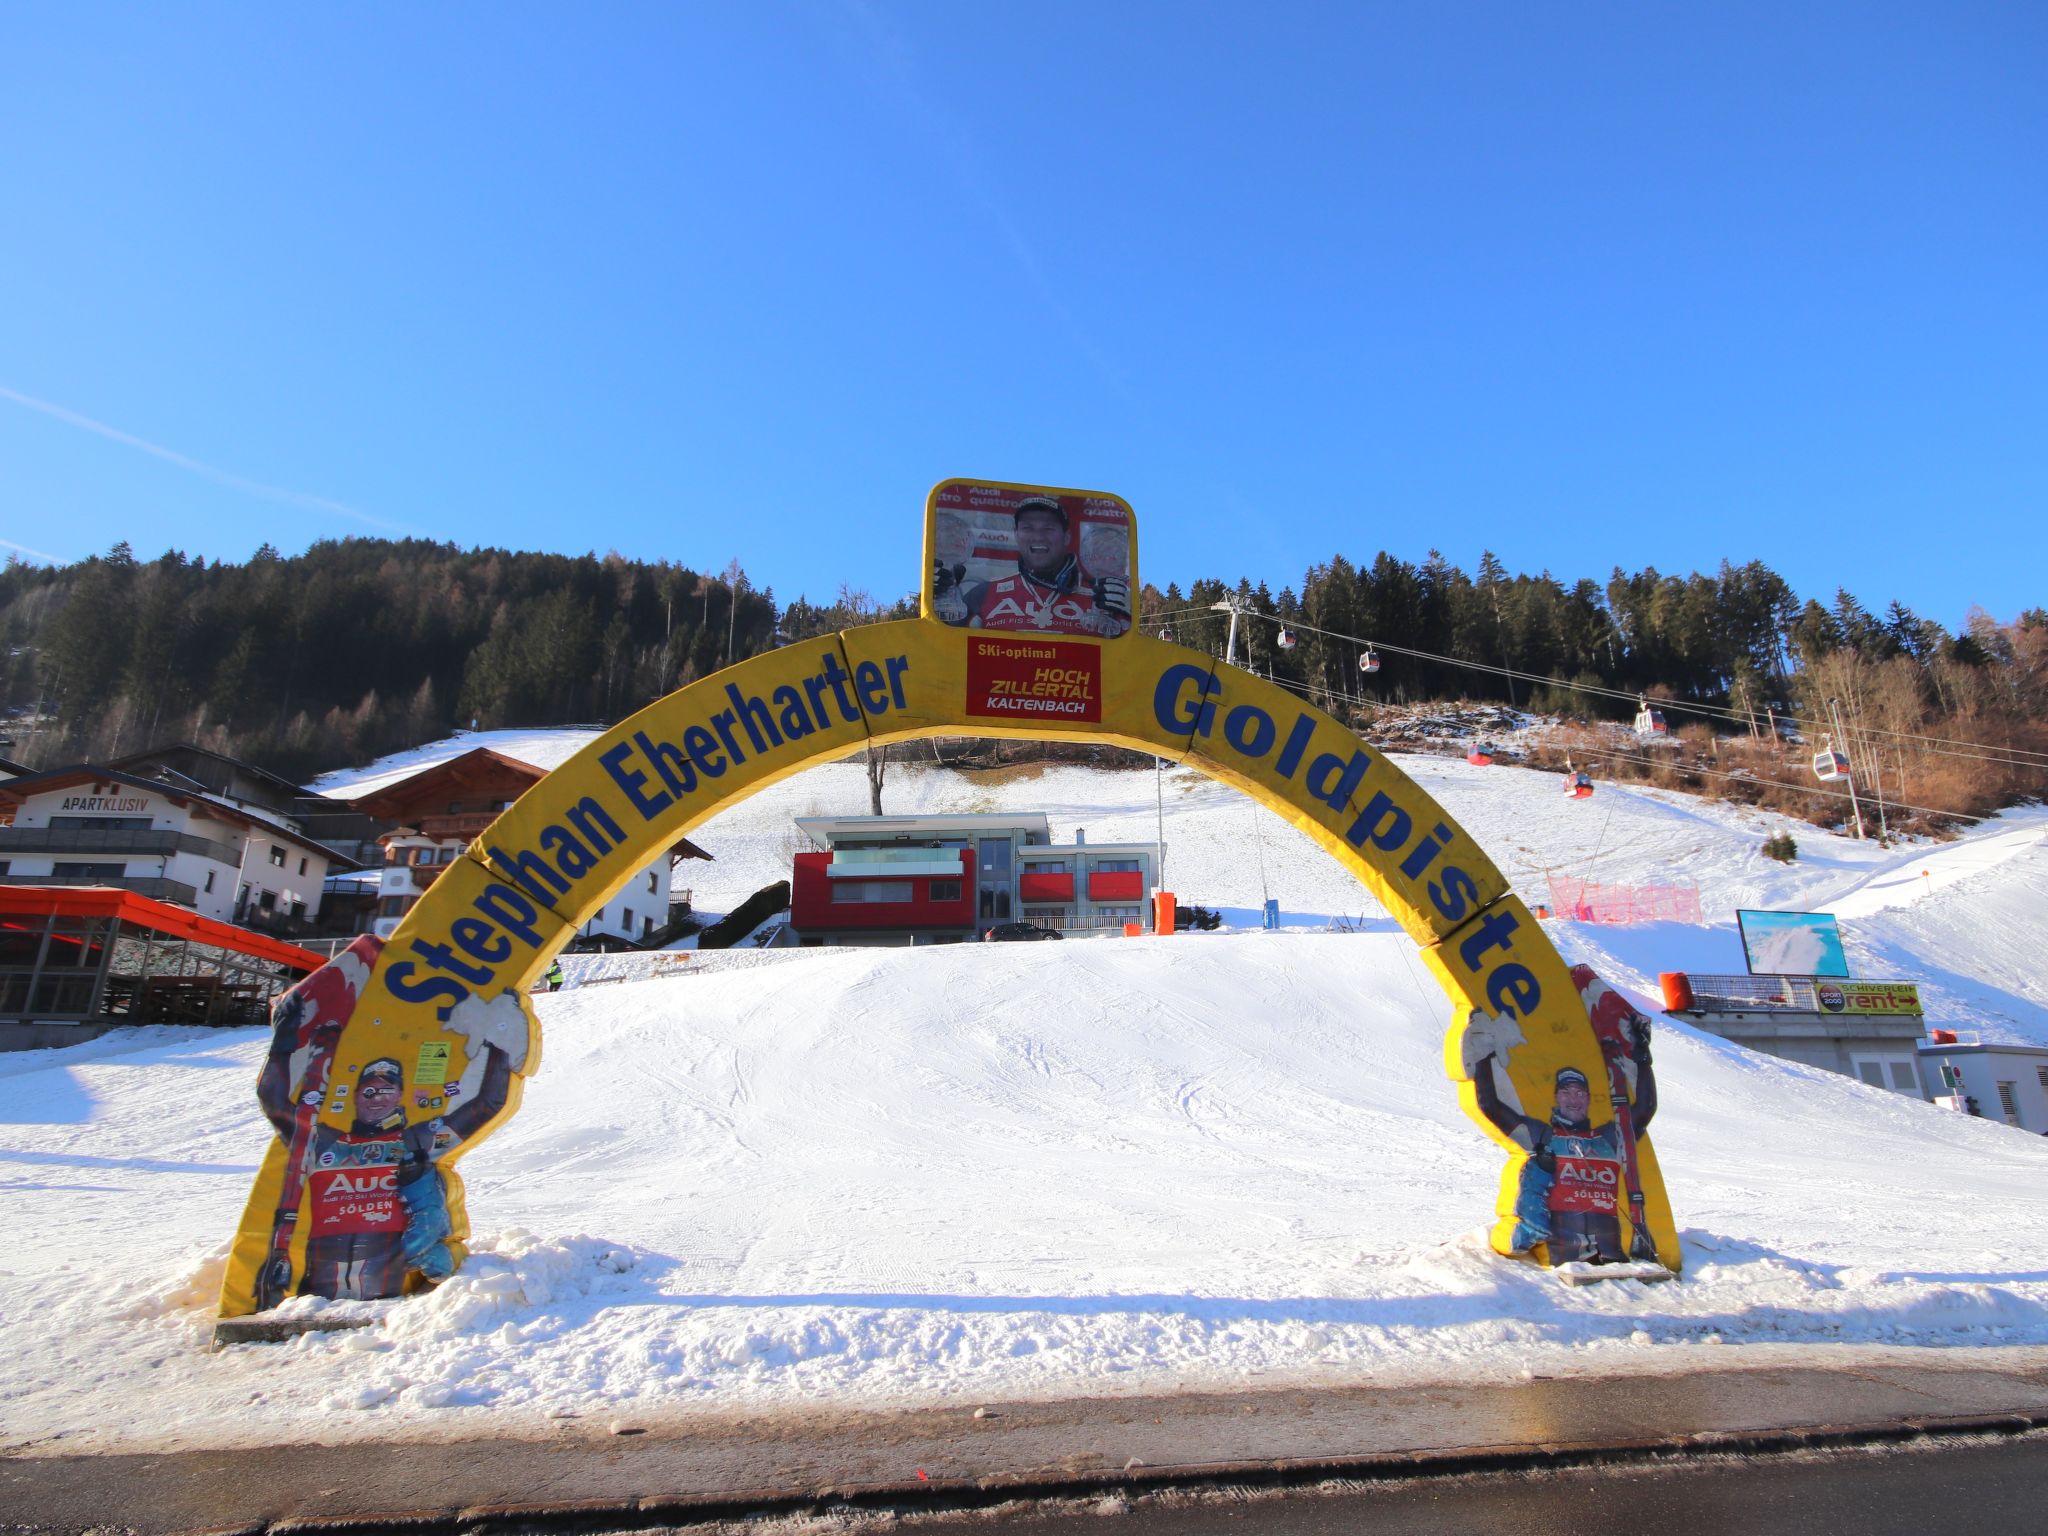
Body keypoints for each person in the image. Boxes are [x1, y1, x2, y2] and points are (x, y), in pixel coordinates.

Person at [1462, 1003, 1657, 1265]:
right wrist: (1483, 1054)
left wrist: (1643, 1057)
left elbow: (1644, 1109)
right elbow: (1490, 1106)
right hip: (1562, 1259)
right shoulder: (1540, 1136)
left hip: (1612, 1258)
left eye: (1579, 1093)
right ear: (1556, 1097)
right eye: (1566, 1092)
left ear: (1588, 1098)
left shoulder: (1608, 1139)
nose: (1573, 1099)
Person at [937, 496, 1130, 637]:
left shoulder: (1097, 598)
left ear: (1067, 537)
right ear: (1016, 535)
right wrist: (938, 602)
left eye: (1048, 528)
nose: (1038, 536)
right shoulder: (983, 593)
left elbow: (1123, 663)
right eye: (1028, 528)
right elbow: (946, 650)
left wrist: (1114, 621)